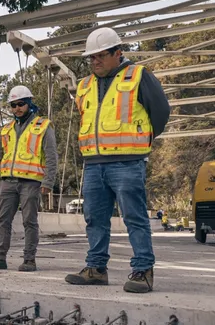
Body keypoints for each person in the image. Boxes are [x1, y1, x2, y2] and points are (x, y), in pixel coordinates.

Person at [65, 27, 171, 293]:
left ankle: (143, 270)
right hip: (94, 163)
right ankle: (96, 269)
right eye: (91, 57)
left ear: (118, 53)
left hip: (127, 162)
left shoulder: (138, 76)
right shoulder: (84, 85)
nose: (95, 61)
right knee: (94, 219)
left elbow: (160, 112)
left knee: (134, 217)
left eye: (101, 56)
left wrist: (141, 139)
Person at [0, 85, 58, 272]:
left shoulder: (43, 126)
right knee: (3, 220)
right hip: (7, 182)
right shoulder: (6, 130)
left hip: (30, 182)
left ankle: (29, 260)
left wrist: (48, 181)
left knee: (29, 221)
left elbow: (51, 155)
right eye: (13, 105)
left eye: (21, 104)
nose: (17, 109)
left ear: (29, 103)